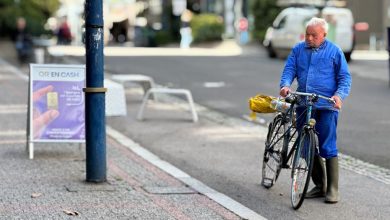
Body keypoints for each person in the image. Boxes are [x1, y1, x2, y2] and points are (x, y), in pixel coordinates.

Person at [279, 17, 351, 204]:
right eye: (307, 34)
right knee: (305, 146)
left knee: (327, 145)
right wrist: (285, 85)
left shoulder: (335, 52)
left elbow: (345, 78)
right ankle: (320, 186)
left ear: (324, 35)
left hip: (327, 105)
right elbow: (289, 70)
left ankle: (332, 189)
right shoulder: (298, 49)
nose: (309, 38)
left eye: (314, 35)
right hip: (304, 103)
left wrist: (339, 96)